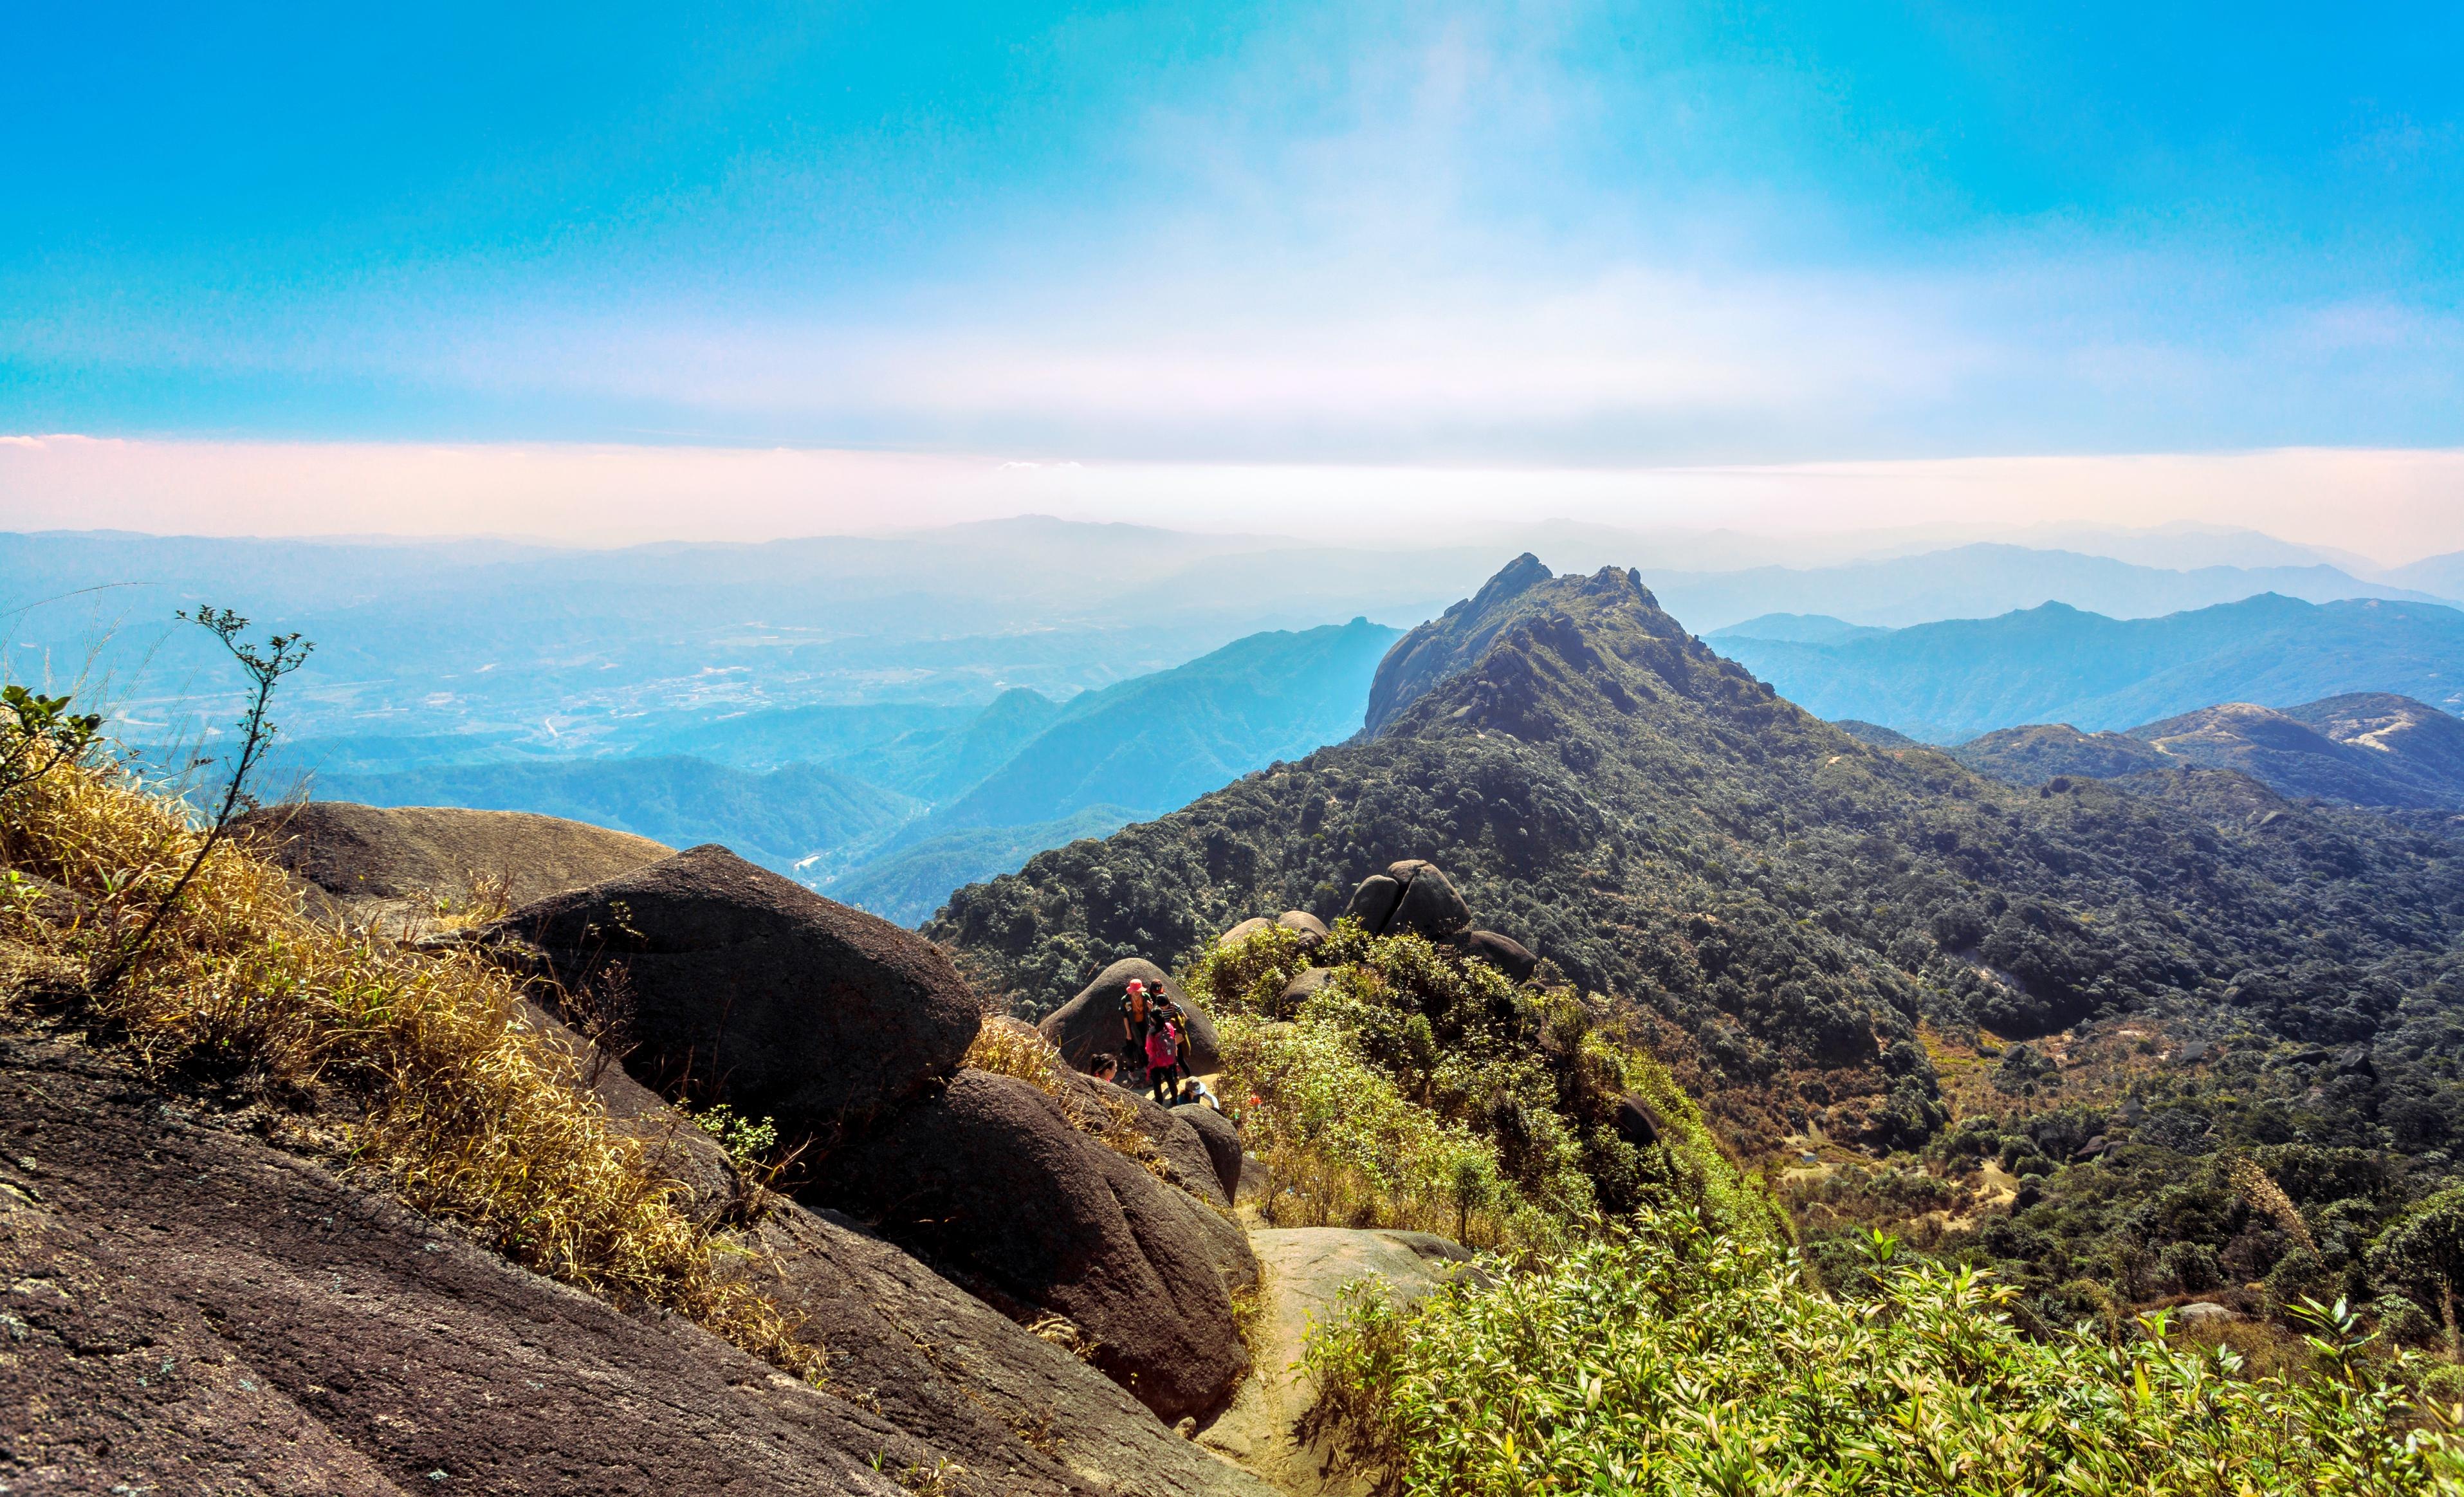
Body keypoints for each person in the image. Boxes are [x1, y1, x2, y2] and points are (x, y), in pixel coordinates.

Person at [1144, 1013, 1181, 1103]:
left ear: (1152, 1019)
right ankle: (1175, 1098)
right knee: (1170, 1079)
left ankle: (1159, 1101)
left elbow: (1149, 1049)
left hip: (1156, 1061)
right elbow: (1173, 1038)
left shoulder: (1152, 1032)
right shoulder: (1169, 1026)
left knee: (1157, 1083)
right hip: (1169, 1059)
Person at [1118, 978, 1150, 1072]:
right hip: (1132, 1026)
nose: (1136, 993)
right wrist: (1128, 1032)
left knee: (1145, 1044)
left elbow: (1150, 1012)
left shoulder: (1146, 997)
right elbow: (1125, 1017)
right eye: (1134, 991)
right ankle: (1133, 1070)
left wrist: (1151, 1008)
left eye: (1138, 991)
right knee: (1133, 1046)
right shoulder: (1125, 1000)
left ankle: (1147, 1066)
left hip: (1144, 1024)